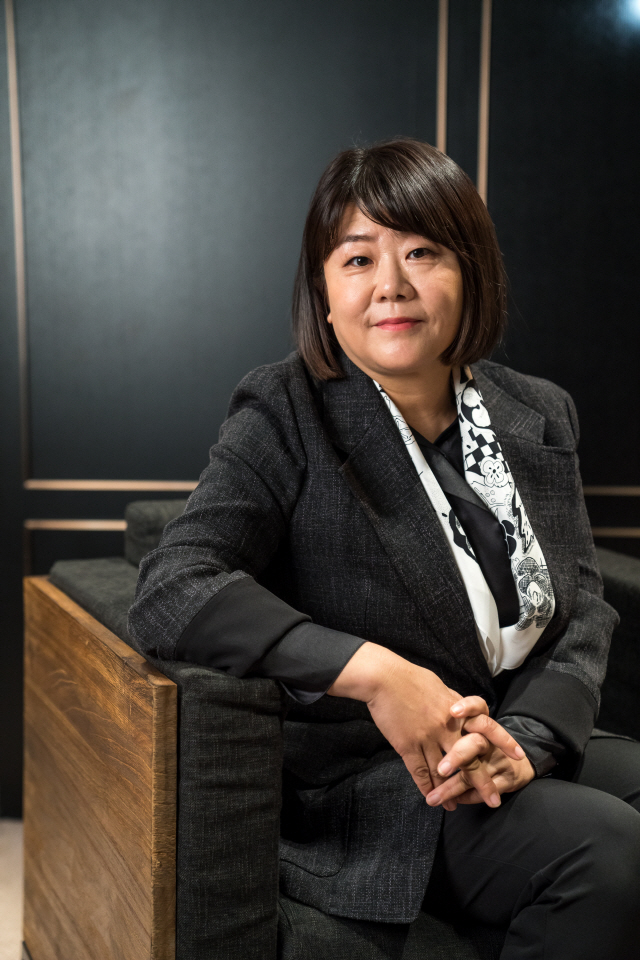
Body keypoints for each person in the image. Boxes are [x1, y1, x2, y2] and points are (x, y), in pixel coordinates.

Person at [128, 139, 640, 959]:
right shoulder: (286, 411)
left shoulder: (539, 411)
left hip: (511, 739)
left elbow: (581, 608)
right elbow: (173, 585)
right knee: (607, 856)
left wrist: (529, 741)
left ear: (470, 272)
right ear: (325, 295)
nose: (391, 284)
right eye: (359, 259)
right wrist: (376, 673)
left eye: (422, 252)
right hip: (374, 783)